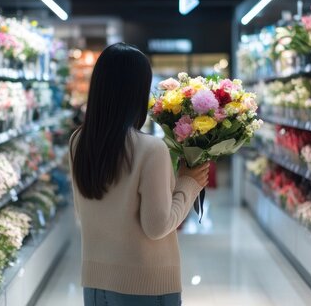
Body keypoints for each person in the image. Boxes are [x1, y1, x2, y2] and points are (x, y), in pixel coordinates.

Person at [70, 43, 209, 306]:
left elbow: (84, 210)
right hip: (146, 284)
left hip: (95, 282)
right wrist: (188, 184)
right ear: (137, 92)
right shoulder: (150, 149)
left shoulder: (78, 141)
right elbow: (156, 226)